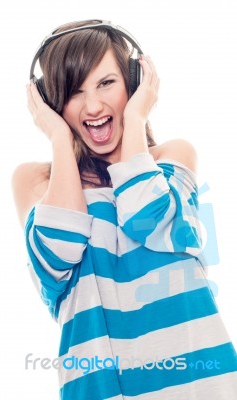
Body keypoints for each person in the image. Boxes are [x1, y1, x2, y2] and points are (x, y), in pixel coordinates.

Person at [12, 19, 237, 399]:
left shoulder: (171, 157)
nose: (94, 105)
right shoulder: (35, 180)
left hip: (202, 384)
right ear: (52, 104)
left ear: (132, 83)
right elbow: (58, 250)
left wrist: (135, 118)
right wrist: (59, 139)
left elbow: (145, 217)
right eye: (73, 92)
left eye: (106, 83)